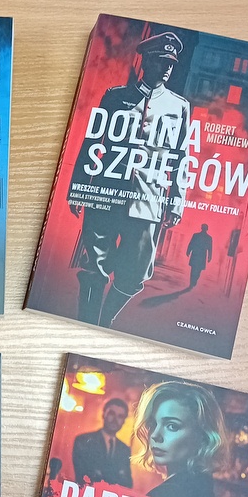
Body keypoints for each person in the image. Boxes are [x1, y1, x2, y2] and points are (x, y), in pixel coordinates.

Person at [70, 32, 191, 328]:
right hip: (105, 195)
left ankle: (105, 322)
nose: (167, 67)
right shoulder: (115, 97)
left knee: (136, 273)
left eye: (171, 63)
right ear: (146, 61)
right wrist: (78, 187)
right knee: (94, 267)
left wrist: (176, 201)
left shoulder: (179, 107)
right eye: (161, 61)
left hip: (148, 201)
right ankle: (87, 326)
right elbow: (92, 143)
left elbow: (181, 157)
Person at [132, 381, 228, 497]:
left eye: (172, 426)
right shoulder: (203, 485)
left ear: (202, 435)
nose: (155, 435)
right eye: (152, 424)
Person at [72, 399, 133, 487]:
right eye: (111, 414)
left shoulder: (124, 449)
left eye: (120, 416)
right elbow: (83, 475)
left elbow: (128, 484)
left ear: (124, 421)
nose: (115, 420)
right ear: (104, 414)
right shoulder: (83, 440)